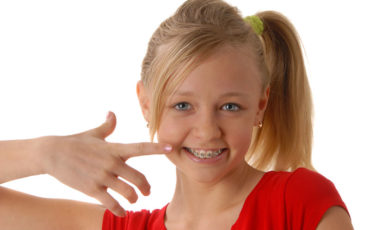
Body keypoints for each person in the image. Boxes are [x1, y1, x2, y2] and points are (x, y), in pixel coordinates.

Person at [0, 0, 353, 229]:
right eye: (182, 105)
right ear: (146, 104)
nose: (206, 131)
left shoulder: (301, 204)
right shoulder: (124, 226)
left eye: (230, 107)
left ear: (260, 105)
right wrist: (46, 153)